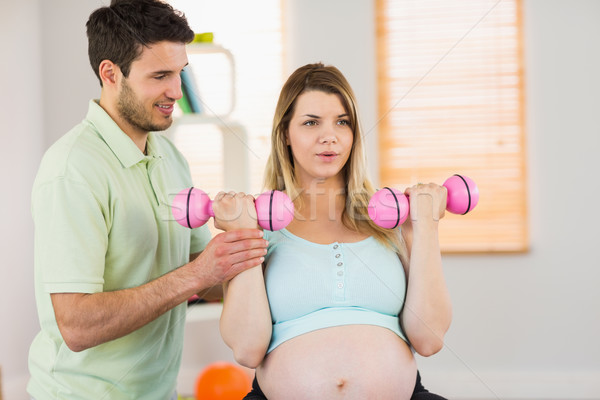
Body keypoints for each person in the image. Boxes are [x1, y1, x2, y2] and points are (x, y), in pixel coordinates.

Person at [27, 1, 267, 399]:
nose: (176, 91)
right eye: (160, 76)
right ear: (110, 74)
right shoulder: (72, 169)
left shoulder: (169, 156)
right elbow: (76, 326)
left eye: (179, 74)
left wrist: (255, 256)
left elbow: (201, 272)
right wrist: (198, 275)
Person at [217, 63, 452, 399]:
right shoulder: (257, 226)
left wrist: (426, 226)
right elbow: (247, 349)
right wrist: (244, 232)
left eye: (342, 122)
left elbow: (429, 340)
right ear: (285, 133)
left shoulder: (395, 222)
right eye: (311, 122)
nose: (329, 136)